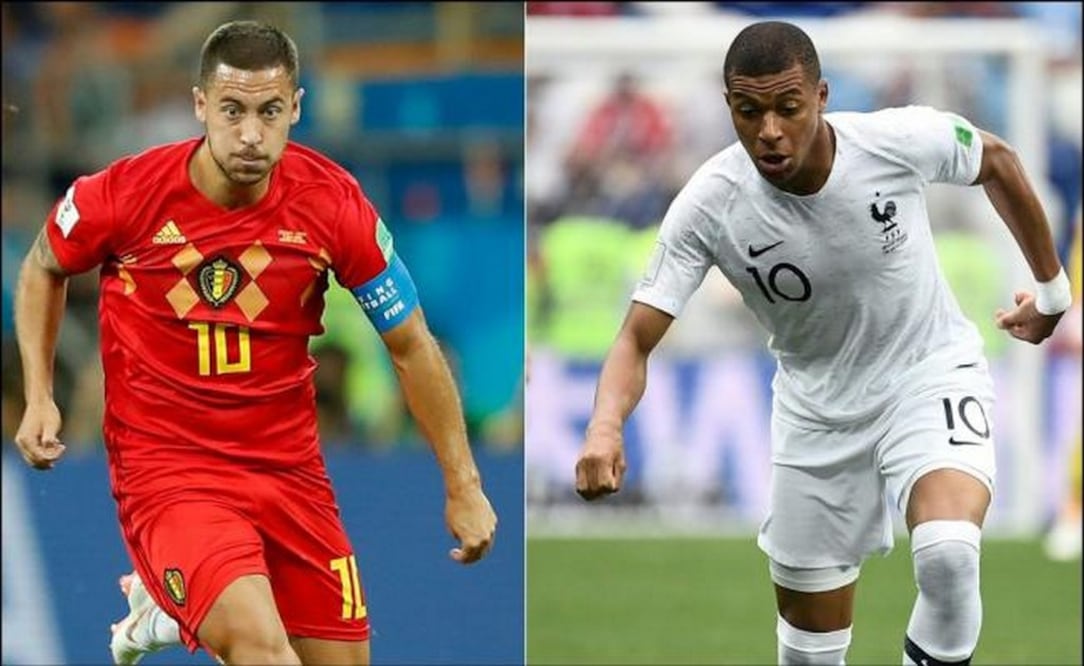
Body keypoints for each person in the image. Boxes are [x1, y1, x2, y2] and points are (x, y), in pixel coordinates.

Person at [574, 20, 1071, 666]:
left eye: (788, 107)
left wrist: (1053, 290)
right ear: (729, 107)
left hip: (928, 374)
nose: (770, 131)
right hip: (817, 416)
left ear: (822, 96)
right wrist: (605, 426)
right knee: (811, 653)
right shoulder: (709, 205)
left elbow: (996, 161)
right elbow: (636, 338)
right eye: (749, 112)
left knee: (948, 555)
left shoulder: (895, 141)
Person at [13, 20, 497, 666]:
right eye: (232, 110)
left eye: (269, 112)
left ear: (296, 107)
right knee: (263, 652)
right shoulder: (126, 194)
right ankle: (178, 592)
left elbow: (411, 344)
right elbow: (43, 265)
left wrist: (463, 483)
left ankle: (165, 608)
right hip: (170, 471)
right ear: (200, 107)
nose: (250, 133)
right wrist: (40, 395)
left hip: (289, 472)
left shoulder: (333, 206)